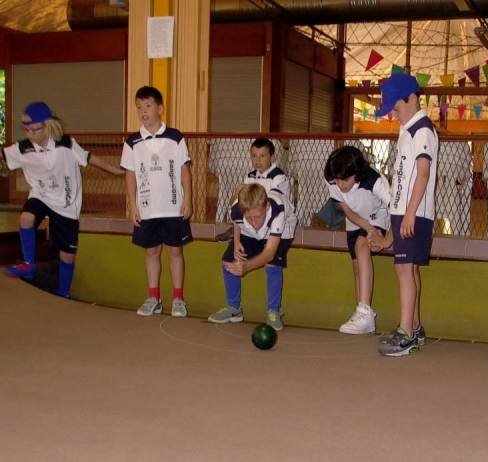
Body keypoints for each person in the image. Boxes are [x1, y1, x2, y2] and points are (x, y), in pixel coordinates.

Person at [2, 101, 122, 297]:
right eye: (27, 130)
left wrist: (115, 171)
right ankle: (29, 265)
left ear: (47, 126)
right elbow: (3, 155)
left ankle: (63, 292)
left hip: (66, 203)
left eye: (35, 130)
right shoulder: (23, 148)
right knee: (26, 218)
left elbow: (90, 158)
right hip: (41, 196)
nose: (30, 134)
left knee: (67, 255)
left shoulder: (66, 144)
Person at [368, 73, 439, 356]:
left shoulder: (422, 130)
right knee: (409, 268)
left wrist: (410, 214)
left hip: (415, 212)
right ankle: (414, 327)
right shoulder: (407, 129)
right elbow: (402, 181)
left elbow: (423, 174)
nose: (394, 115)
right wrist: (391, 229)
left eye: (396, 108)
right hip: (404, 211)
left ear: (411, 98)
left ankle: (407, 333)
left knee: (404, 268)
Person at [120, 86, 193, 318]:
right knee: (151, 251)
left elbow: (184, 171)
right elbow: (130, 175)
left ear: (160, 109)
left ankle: (178, 299)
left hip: (172, 207)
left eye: (148, 106)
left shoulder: (175, 137)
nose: (143, 111)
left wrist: (188, 199)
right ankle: (154, 298)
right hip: (147, 209)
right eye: (139, 107)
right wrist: (133, 206)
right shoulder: (132, 142)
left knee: (175, 251)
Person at [208, 183, 297, 331]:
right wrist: (236, 242)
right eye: (249, 218)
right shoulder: (236, 210)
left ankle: (273, 311)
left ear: (266, 207)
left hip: (282, 229)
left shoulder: (277, 210)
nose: (254, 223)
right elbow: (237, 222)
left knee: (273, 263)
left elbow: (269, 253)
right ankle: (234, 309)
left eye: (257, 217)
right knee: (229, 261)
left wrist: (246, 266)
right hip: (249, 232)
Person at [324, 145, 390, 334]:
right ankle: (363, 316)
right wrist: (367, 228)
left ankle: (365, 312)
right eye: (336, 180)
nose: (340, 184)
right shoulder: (331, 178)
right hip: (355, 219)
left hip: (378, 215)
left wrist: (386, 239)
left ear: (356, 173)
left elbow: (397, 209)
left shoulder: (375, 181)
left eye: (345, 179)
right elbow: (345, 209)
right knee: (357, 268)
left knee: (362, 245)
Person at [215, 137, 292, 242]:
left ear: (272, 158)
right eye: (254, 156)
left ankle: (238, 232)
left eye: (262, 156)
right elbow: (235, 202)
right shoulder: (250, 177)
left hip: (275, 225)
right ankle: (236, 232)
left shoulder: (279, 177)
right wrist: (237, 195)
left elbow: (271, 206)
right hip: (254, 222)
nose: (258, 160)